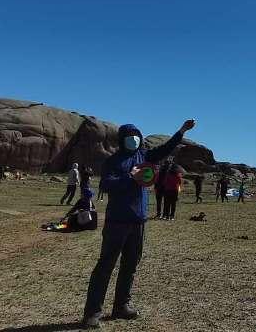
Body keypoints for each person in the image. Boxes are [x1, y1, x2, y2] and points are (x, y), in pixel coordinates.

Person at [82, 119, 196, 328]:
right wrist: (131, 179)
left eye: (137, 135)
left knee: (130, 265)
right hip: (117, 221)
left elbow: (166, 148)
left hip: (139, 221)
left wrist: (181, 130)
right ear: (122, 139)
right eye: (129, 136)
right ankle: (92, 313)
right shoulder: (113, 161)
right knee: (105, 266)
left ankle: (121, 306)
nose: (134, 139)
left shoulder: (144, 156)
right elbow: (107, 184)